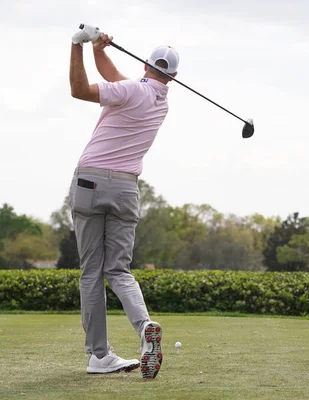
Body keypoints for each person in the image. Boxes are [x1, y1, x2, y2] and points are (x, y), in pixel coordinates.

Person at [68, 24, 179, 379]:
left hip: (90, 182)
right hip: (126, 189)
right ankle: (144, 326)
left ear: (146, 65)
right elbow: (116, 79)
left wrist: (77, 46)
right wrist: (100, 51)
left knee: (91, 272)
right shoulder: (159, 102)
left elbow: (79, 90)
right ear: (174, 76)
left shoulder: (132, 89)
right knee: (118, 269)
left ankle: (99, 355)